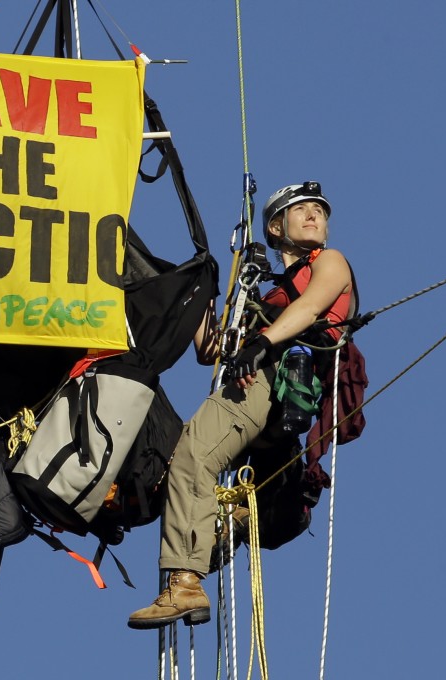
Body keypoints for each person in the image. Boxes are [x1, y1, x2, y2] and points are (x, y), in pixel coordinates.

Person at [127, 181, 353, 629]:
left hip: (281, 374)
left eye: (319, 211)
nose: (313, 215)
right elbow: (212, 349)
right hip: (266, 380)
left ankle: (185, 583)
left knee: (193, 455)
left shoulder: (329, 262)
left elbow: (311, 308)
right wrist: (203, 293)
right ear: (275, 226)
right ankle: (222, 528)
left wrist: (263, 343)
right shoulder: (265, 295)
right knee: (191, 461)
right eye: (301, 209)